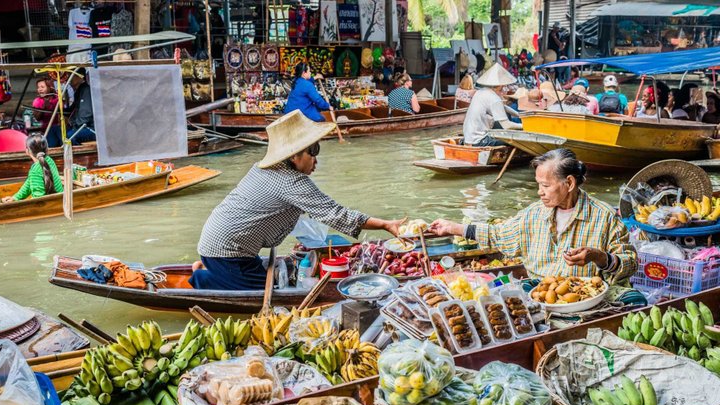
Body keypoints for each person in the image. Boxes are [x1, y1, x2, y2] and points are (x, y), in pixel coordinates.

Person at [190, 110, 406, 290]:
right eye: (312, 151)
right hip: (228, 254)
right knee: (271, 288)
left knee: (270, 274)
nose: (316, 159)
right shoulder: (292, 183)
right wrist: (385, 224)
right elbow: (337, 215)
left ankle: (210, 268)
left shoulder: (262, 169)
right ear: (293, 156)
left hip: (218, 243)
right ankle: (202, 278)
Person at [428, 148, 637, 285]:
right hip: (539, 294)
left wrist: (600, 257)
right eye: (538, 185)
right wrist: (453, 227)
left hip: (585, 299)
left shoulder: (604, 217)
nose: (540, 192)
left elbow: (630, 264)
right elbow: (498, 235)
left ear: (570, 183)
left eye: (545, 185)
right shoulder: (533, 214)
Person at [461, 64, 522, 147]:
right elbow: (507, 125)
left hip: (469, 137)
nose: (507, 89)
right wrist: (524, 126)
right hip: (479, 141)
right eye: (505, 86)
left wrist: (520, 115)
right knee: (516, 141)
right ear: (500, 86)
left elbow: (503, 107)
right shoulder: (494, 99)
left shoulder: (481, 92)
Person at [3, 134, 64, 202]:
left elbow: (38, 200)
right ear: (47, 149)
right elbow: (28, 184)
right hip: (60, 199)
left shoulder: (35, 172)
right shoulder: (49, 160)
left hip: (53, 204)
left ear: (27, 151)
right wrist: (15, 198)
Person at [47, 67, 95, 147]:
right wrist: (58, 108)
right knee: (53, 130)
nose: (68, 78)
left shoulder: (86, 90)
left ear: (79, 77)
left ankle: (75, 158)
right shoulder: (78, 91)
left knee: (68, 137)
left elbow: (86, 115)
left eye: (71, 75)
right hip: (78, 126)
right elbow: (70, 110)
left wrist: (73, 124)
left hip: (89, 128)